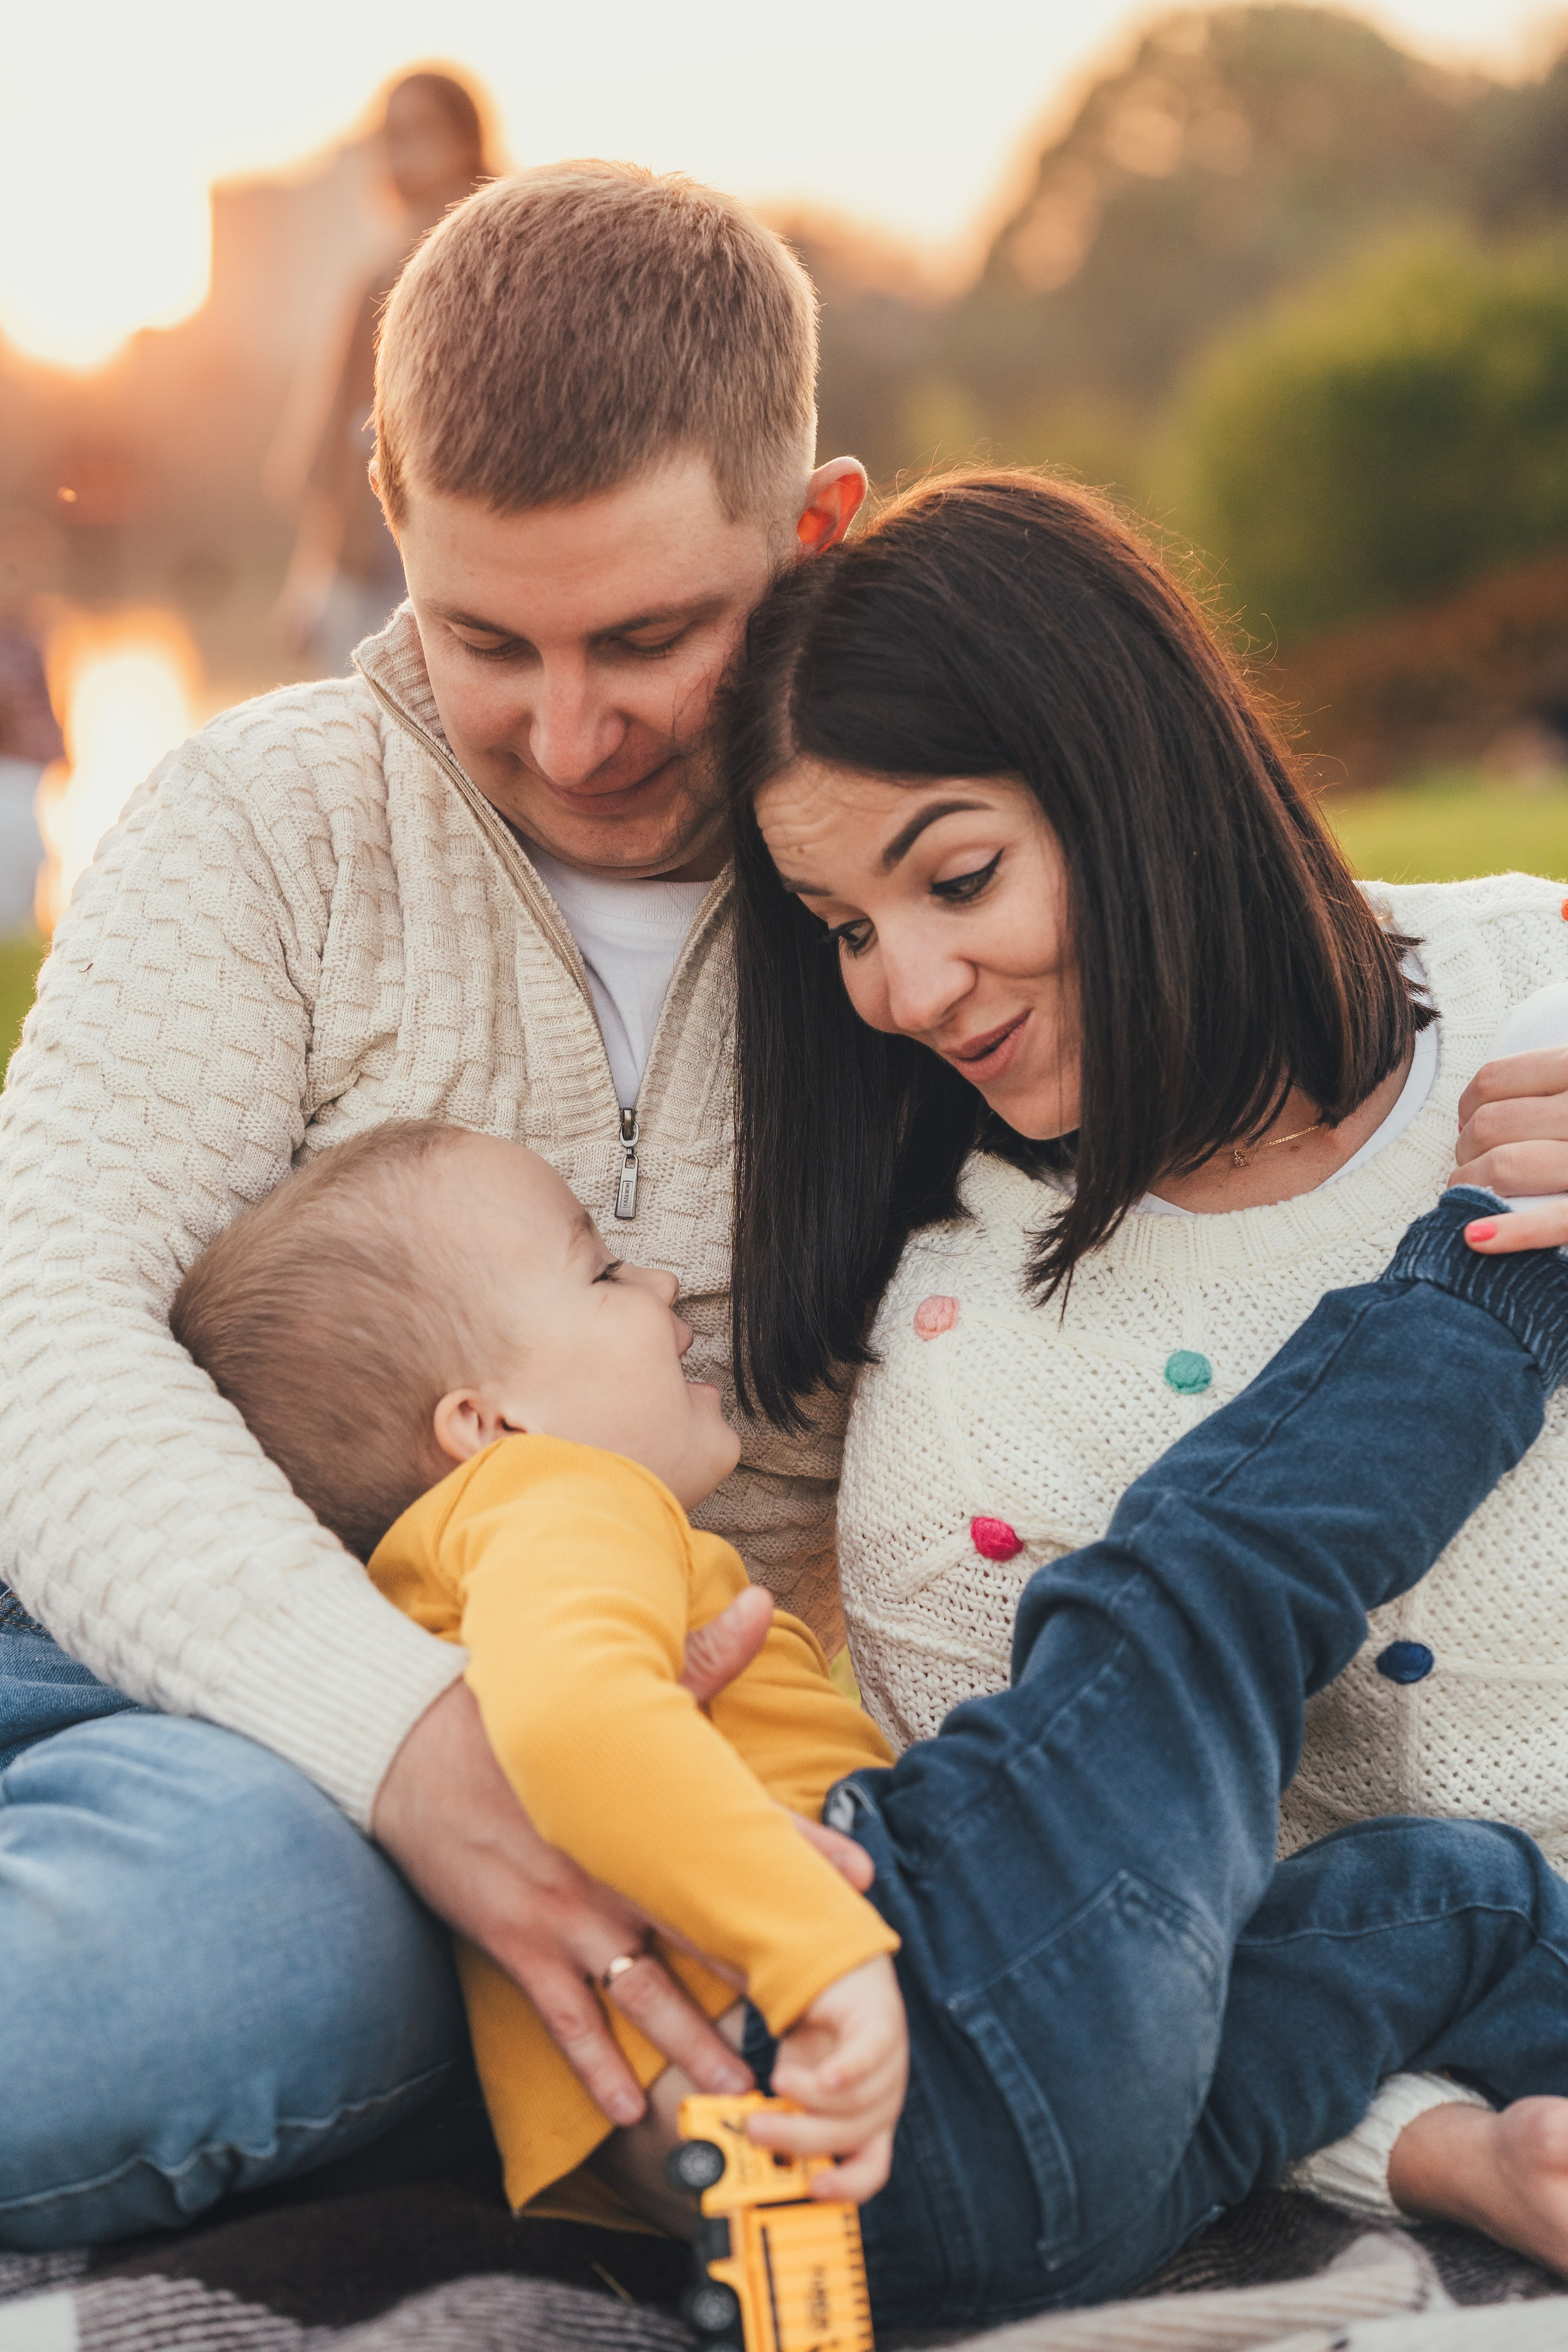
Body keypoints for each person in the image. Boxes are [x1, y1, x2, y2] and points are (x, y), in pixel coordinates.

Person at [0, 163, 865, 2247]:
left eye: (652, 637)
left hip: (560, 1789)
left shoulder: (949, 850)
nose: (571, 734)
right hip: (173, 1667)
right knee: (256, 1915)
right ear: (389, 503)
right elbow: (42, 1328)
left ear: (816, 531)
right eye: (486, 638)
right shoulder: (264, 826)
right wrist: (411, 1748)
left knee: (258, 1959)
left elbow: (1329, 977)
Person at [165, 1115, 1568, 2312]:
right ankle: (1497, 1274)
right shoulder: (541, 1503)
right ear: (485, 1425)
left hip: (909, 2243)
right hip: (891, 2020)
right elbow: (575, 1720)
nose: (658, 1279)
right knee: (1177, 1593)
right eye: (597, 1268)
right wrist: (818, 1954)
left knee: (1439, 1900)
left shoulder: (421, 1620)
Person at [722, 467, 1568, 2247]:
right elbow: (1106, 1987)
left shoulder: (1532, 978)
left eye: (956, 875)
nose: (907, 988)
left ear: (1131, 772)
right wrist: (1433, 2152)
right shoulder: (964, 1366)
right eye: (847, 929)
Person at [273, 72, 493, 675]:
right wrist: (312, 579)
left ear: (466, 140)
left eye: (420, 131)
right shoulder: (372, 280)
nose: (401, 152)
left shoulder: (510, 263)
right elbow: (339, 445)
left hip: (481, 566)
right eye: (389, 136)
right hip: (374, 566)